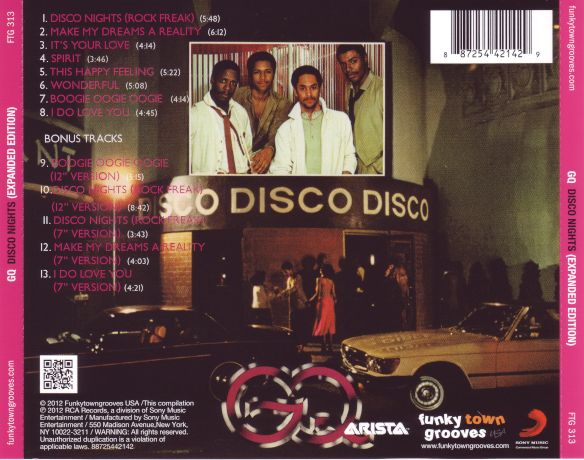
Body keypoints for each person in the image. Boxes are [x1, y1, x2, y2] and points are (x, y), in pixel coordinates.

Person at [269, 65, 357, 175]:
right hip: (300, 186)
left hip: (335, 185)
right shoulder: (285, 129)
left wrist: (344, 178)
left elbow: (349, 156)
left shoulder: (341, 120)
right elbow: (281, 169)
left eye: (313, 87)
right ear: (295, 91)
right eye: (302, 88)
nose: (309, 94)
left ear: (320, 88)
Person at [189, 60, 253, 174]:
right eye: (223, 81)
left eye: (233, 83)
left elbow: (248, 149)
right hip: (209, 181)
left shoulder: (240, 112)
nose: (227, 88)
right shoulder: (195, 114)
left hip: (241, 178)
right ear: (212, 79)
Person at [233, 51, 292, 174]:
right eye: (257, 72)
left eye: (267, 72)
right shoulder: (236, 96)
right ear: (250, 74)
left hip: (265, 164)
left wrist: (270, 149)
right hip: (235, 160)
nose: (263, 78)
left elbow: (277, 134)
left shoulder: (283, 103)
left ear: (274, 74)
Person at [336, 44, 384, 174]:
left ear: (365, 58)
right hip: (356, 169)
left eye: (353, 61)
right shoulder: (349, 90)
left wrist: (379, 167)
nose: (348, 69)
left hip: (377, 171)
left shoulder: (382, 89)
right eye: (343, 64)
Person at [279, 261, 310, 342]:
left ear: (290, 269)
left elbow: (295, 289)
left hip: (299, 302)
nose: (285, 274)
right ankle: (295, 340)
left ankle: (301, 341)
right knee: (293, 322)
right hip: (292, 303)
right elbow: (288, 289)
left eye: (285, 271)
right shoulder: (289, 279)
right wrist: (282, 293)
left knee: (299, 322)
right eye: (284, 272)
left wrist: (283, 293)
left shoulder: (298, 277)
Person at [310, 264, 337, 352]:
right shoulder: (331, 281)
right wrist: (334, 301)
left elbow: (317, 293)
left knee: (322, 323)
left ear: (323, 271)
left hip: (323, 302)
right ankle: (331, 346)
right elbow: (334, 295)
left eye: (321, 269)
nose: (320, 271)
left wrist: (309, 300)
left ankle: (324, 346)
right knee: (329, 323)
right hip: (330, 302)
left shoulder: (319, 279)